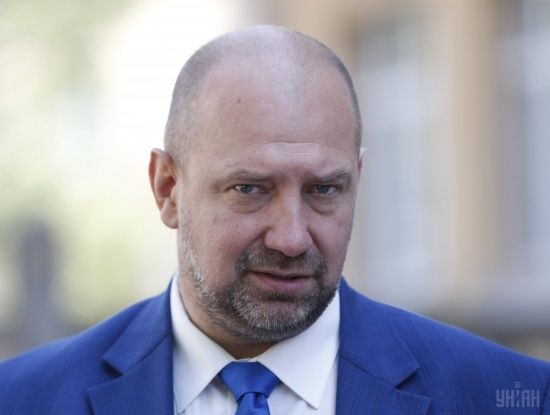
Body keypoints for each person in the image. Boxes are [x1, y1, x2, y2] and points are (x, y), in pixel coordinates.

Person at [0, 25, 549, 415]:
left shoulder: (511, 397)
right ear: (168, 189)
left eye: (324, 190)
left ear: (357, 179)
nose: (291, 237)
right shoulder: (23, 400)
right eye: (250, 189)